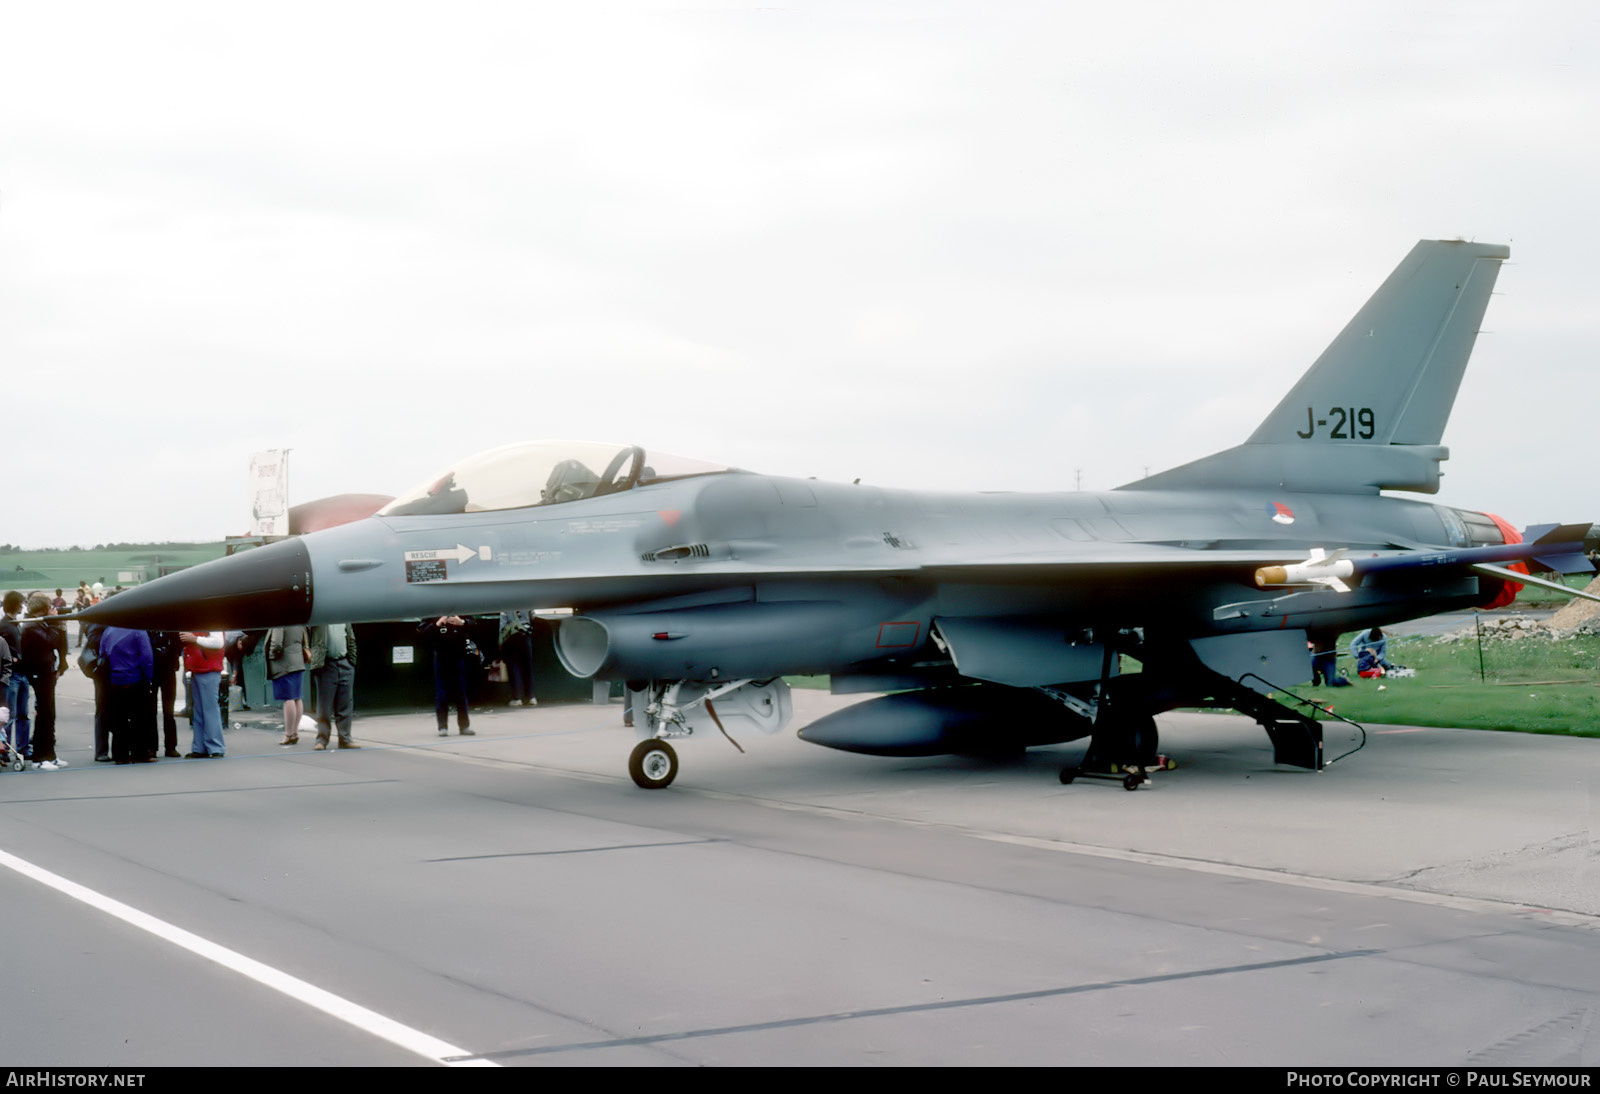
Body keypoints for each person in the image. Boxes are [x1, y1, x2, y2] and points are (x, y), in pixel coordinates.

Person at [20, 592, 69, 770]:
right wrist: (57, 623)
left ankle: (50, 754)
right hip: (39, 674)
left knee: (49, 715)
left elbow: (57, 643)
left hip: (46, 673)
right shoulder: (31, 627)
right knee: (44, 716)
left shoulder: (40, 624)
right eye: (49, 606)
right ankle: (39, 758)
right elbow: (50, 641)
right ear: (42, 609)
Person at [100, 625, 154, 764]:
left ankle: (120, 754)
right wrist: (148, 677)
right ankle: (140, 752)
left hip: (115, 679)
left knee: (119, 719)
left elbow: (103, 655)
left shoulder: (108, 631)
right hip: (135, 678)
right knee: (139, 718)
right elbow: (146, 656)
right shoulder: (138, 631)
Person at [420, 615, 475, 736]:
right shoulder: (433, 611)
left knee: (461, 693)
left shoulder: (461, 609)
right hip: (441, 656)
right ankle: (442, 727)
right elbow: (422, 630)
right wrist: (438, 624)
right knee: (442, 694)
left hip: (459, 655)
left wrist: (462, 622)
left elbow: (474, 624)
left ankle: (464, 726)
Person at [308, 624, 359, 750]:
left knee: (345, 705)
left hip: (344, 663)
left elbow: (351, 639)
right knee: (324, 706)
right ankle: (322, 740)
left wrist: (351, 661)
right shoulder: (320, 620)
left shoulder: (345, 619)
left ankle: (345, 739)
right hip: (326, 664)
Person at [180, 630, 226, 757]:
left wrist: (195, 639)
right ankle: (204, 747)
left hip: (206, 668)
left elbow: (218, 642)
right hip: (201, 668)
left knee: (207, 710)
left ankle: (212, 747)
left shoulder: (211, 620)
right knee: (202, 710)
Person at [266, 626, 309, 746]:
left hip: (284, 664)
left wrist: (271, 655)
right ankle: (295, 732)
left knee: (288, 699)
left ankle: (288, 734)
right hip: (298, 661)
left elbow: (277, 643)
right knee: (297, 698)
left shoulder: (280, 620)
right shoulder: (299, 620)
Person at [1, 591, 28, 761]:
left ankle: (23, 748)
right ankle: (5, 751)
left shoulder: (15, 623)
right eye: (20, 603)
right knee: (8, 716)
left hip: (21, 675)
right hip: (12, 676)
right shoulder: (4, 625)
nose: (22, 606)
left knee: (23, 714)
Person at [497, 610, 538, 707]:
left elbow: (502, 622)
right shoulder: (525, 600)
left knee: (513, 667)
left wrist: (500, 641)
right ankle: (531, 697)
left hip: (511, 635)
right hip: (525, 633)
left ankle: (517, 698)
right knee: (527, 666)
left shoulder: (504, 603)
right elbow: (533, 616)